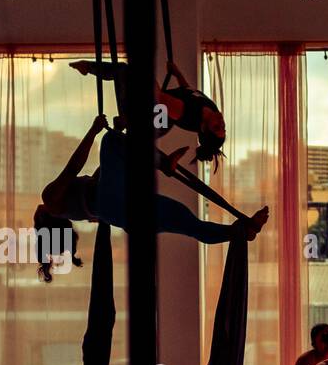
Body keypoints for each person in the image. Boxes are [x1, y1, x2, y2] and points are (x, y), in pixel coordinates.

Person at [33, 117, 267, 280]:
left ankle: (241, 231)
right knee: (110, 141)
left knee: (186, 221)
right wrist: (95, 130)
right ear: (43, 217)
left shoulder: (70, 209)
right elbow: (74, 166)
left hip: (119, 211)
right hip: (112, 203)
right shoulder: (50, 199)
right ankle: (164, 164)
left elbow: (104, 178)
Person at [70, 59, 226, 166]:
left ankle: (88, 67)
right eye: (223, 128)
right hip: (159, 113)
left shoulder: (185, 112)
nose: (221, 123)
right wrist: (177, 74)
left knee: (124, 71)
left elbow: (157, 96)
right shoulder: (212, 110)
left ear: (204, 128)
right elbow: (189, 92)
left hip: (156, 122)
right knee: (126, 71)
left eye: (216, 127)